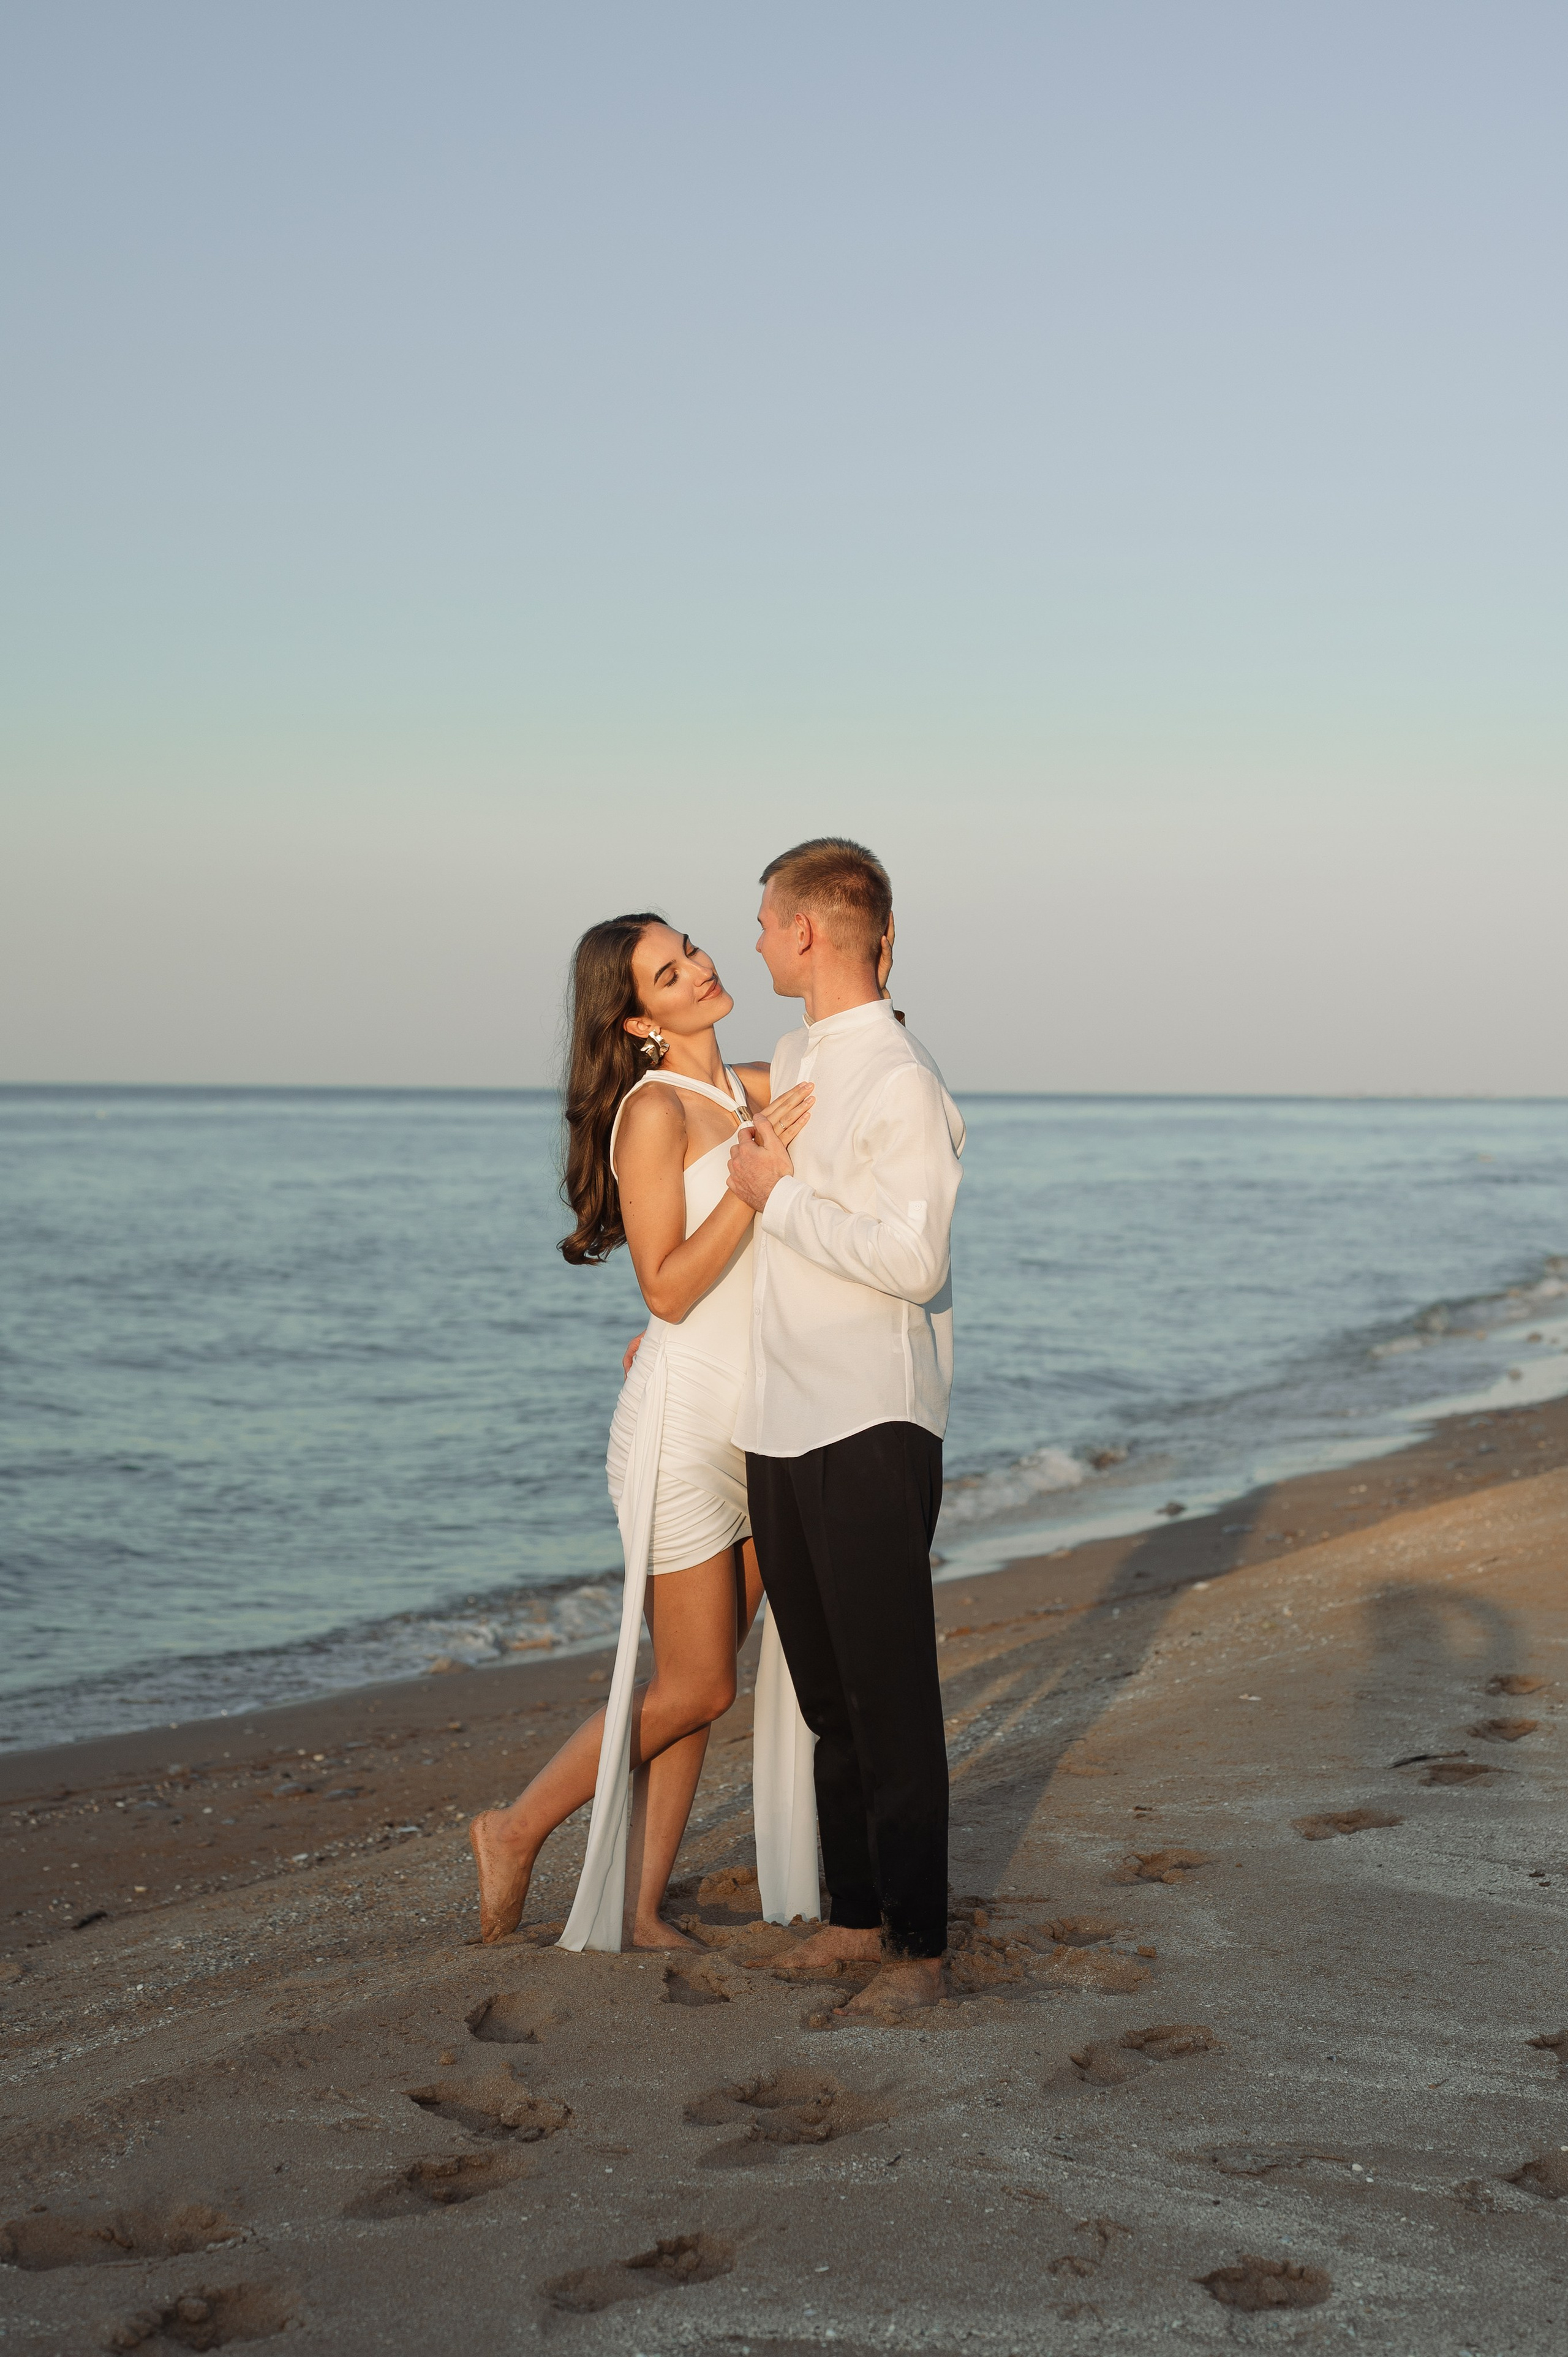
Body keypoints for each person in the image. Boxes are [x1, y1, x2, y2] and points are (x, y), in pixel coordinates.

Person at [469, 913, 820, 1948]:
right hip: (679, 1428)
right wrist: (758, 1187)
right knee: (701, 1681)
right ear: (636, 1018)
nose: (702, 969)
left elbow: (839, 1062)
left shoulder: (740, 1090)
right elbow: (666, 1289)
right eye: (671, 974)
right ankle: (515, 1826)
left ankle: (639, 1903)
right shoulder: (653, 1112)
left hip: (760, 1419)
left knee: (694, 1689)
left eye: (697, 949)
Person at [726, 839, 964, 2016]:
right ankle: (854, 1917)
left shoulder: (903, 1082)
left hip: (872, 1417)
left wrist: (779, 1194)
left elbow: (913, 1261)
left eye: (765, 923)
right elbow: (740, 1116)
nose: (757, 942)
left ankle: (918, 1950)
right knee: (825, 1695)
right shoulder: (794, 1054)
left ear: (809, 932)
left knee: (890, 1694)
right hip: (782, 1412)